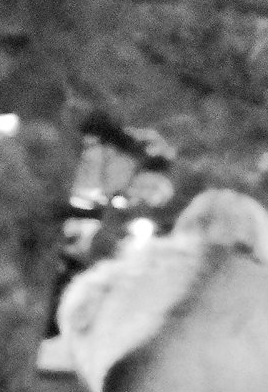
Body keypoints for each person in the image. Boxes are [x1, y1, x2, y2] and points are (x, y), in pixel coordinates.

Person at [33, 114, 191, 374]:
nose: (89, 145)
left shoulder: (140, 149)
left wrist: (136, 199)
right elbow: (79, 189)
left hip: (119, 225)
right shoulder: (78, 155)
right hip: (84, 225)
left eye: (94, 141)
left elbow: (156, 185)